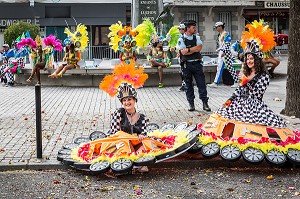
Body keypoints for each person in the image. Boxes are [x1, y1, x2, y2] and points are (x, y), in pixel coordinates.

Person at [177, 20, 211, 112]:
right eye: (193, 27)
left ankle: (205, 103)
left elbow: (199, 47)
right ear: (188, 29)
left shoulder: (197, 38)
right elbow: (183, 51)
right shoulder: (181, 39)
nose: (195, 29)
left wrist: (188, 50)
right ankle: (191, 104)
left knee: (201, 84)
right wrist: (193, 50)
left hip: (197, 64)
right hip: (186, 65)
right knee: (188, 85)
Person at [208, 22, 239, 88]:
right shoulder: (220, 34)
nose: (216, 29)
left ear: (220, 27)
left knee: (230, 67)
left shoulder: (226, 34)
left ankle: (236, 81)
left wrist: (224, 51)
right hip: (222, 52)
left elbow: (227, 44)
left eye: (217, 27)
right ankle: (215, 82)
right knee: (219, 67)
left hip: (225, 53)